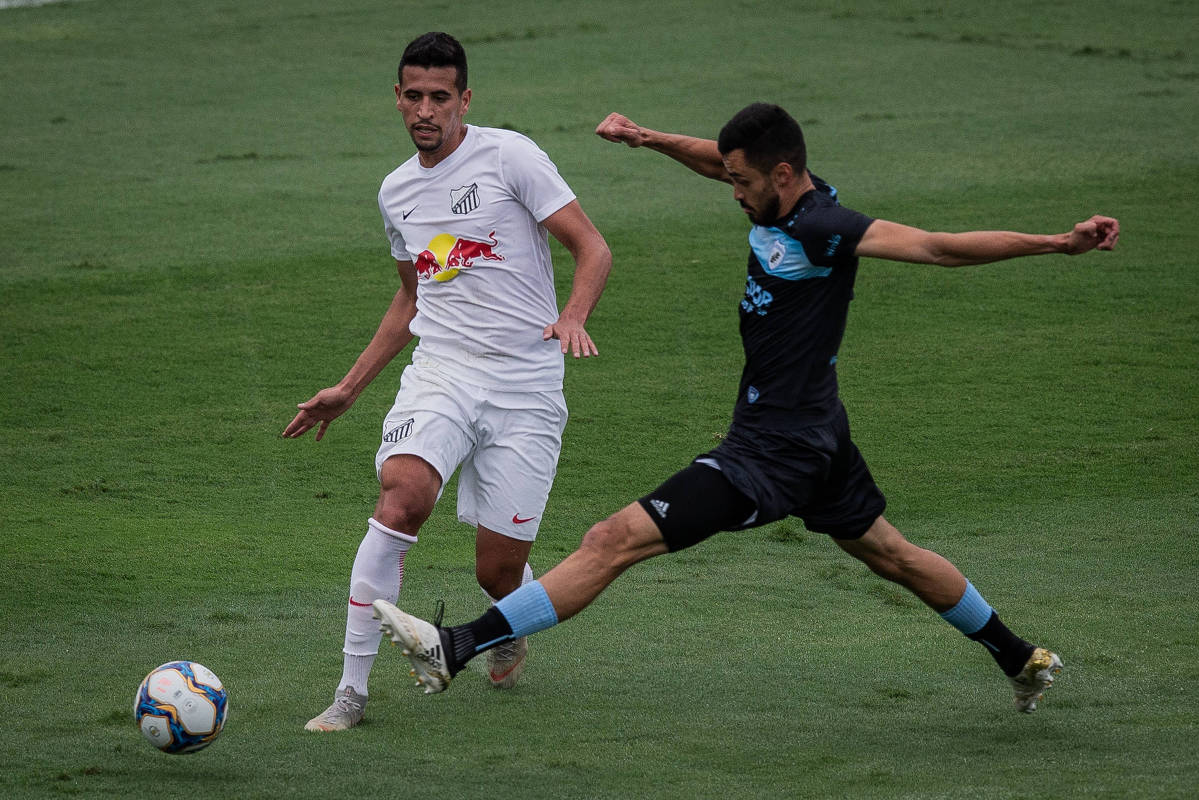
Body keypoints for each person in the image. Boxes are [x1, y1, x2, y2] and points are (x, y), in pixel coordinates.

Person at [372, 103, 1119, 713]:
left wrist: (1058, 244)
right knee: (891, 554)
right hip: (818, 431)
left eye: (740, 181)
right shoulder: (781, 187)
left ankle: (458, 648)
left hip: (773, 450)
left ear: (784, 175)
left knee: (611, 540)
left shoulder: (826, 229)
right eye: (727, 176)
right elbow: (711, 156)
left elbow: (939, 246)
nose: (730, 191)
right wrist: (648, 138)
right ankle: (1022, 658)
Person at [283, 32, 612, 732]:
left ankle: (507, 623)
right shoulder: (396, 191)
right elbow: (412, 299)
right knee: (401, 500)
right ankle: (351, 693)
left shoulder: (510, 156)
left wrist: (572, 315)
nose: (426, 109)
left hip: (526, 384)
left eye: (440, 96)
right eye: (413, 96)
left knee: (498, 574)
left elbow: (592, 246)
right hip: (444, 372)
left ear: (465, 99)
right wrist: (350, 387)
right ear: (397, 99)